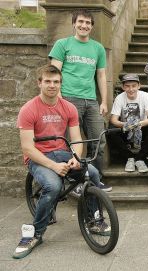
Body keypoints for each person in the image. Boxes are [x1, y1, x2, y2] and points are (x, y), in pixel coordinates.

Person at [13, 65, 108, 259]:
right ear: (39, 83)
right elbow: (28, 148)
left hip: (62, 152)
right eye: (47, 81)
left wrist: (75, 157)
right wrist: (54, 166)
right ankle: (36, 233)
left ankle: (94, 220)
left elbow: (75, 139)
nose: (52, 85)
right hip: (38, 157)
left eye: (56, 82)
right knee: (53, 186)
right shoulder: (28, 109)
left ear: (60, 84)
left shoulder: (68, 107)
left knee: (94, 173)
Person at [48, 9, 111, 192]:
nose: (84, 26)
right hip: (68, 99)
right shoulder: (63, 44)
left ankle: (95, 180)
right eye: (81, 22)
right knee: (71, 144)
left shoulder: (97, 48)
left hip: (91, 101)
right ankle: (73, 181)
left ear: (92, 26)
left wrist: (104, 102)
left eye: (88, 23)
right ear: (74, 23)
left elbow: (101, 75)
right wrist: (59, 100)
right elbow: (54, 73)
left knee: (98, 141)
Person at [108, 74, 148, 173]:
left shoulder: (145, 96)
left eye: (133, 86)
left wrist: (139, 124)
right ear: (123, 87)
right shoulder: (120, 98)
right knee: (111, 130)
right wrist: (126, 125)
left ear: (139, 86)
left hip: (141, 128)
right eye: (127, 86)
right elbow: (113, 120)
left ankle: (140, 158)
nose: (131, 89)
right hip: (126, 128)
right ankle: (129, 157)